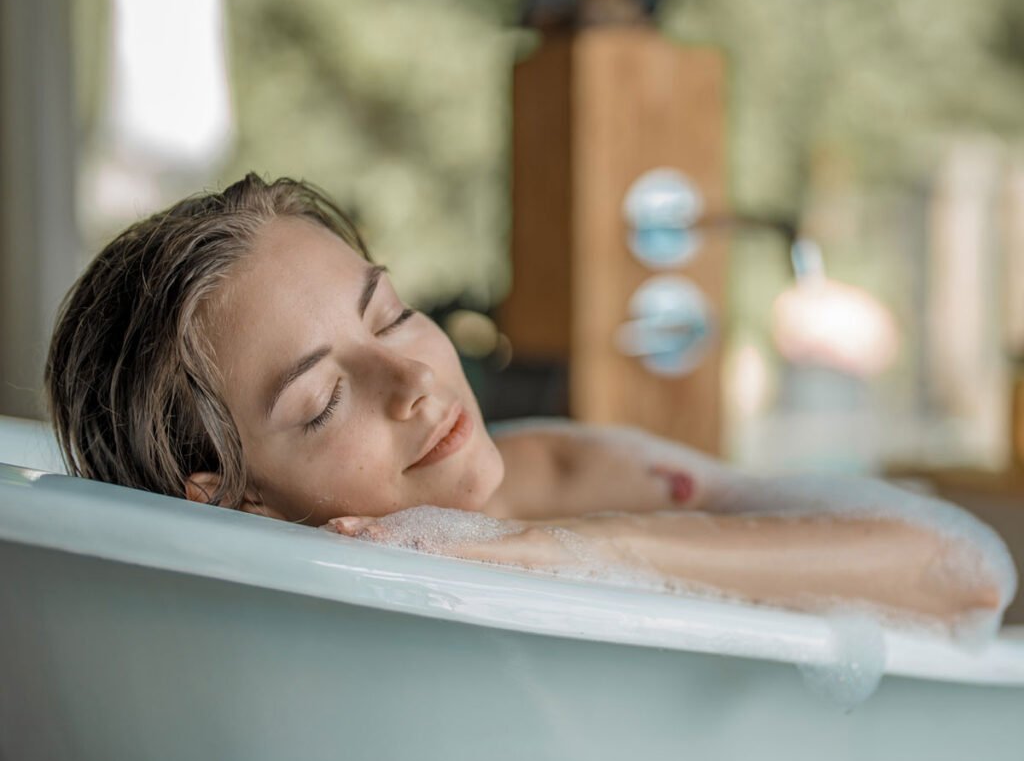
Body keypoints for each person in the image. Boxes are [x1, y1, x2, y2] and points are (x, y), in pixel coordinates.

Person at [45, 174, 1015, 627]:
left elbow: (959, 571)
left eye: (391, 316)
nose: (419, 380)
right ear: (232, 499)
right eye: (327, 396)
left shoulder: (566, 477)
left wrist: (571, 552)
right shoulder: (220, 639)